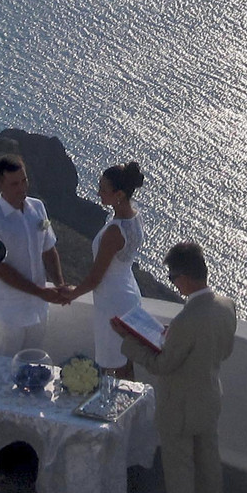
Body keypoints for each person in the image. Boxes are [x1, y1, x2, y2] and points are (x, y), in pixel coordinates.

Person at [117, 241, 237, 493]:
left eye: (172, 278)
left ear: (183, 278)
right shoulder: (226, 305)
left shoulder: (186, 321)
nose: (173, 282)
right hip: (210, 400)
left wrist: (131, 345)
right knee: (210, 467)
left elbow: (163, 364)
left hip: (179, 409)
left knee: (180, 477)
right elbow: (224, 350)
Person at [60, 161, 147, 378]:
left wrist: (72, 294)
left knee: (113, 365)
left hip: (112, 301)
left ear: (118, 194)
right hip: (129, 295)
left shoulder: (114, 232)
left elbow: (95, 278)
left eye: (103, 189)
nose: (98, 192)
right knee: (126, 362)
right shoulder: (136, 217)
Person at [0, 156, 66, 354]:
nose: (22, 188)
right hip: (9, 313)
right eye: (15, 183)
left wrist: (59, 284)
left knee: (32, 364)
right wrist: (40, 291)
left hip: (38, 309)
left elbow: (48, 249)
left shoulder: (38, 208)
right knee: (5, 368)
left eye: (24, 180)